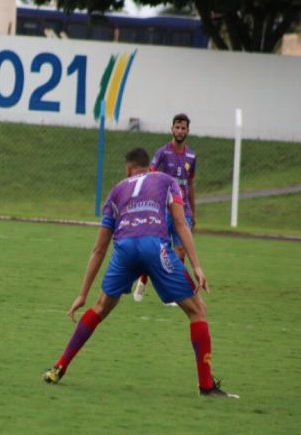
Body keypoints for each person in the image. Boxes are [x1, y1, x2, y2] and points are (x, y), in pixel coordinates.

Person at [43, 147, 238, 398]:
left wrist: (82, 294)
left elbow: (99, 248)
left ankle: (59, 367)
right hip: (154, 247)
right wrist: (197, 265)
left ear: (128, 169)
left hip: (124, 249)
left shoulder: (116, 190)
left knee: (100, 306)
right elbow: (180, 222)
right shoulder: (167, 181)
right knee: (197, 310)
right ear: (150, 168)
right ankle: (206, 386)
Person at [133, 113, 197, 304]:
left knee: (180, 251)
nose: (180, 130)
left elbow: (191, 184)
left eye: (183, 127)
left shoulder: (192, 156)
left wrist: (192, 210)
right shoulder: (162, 153)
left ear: (187, 130)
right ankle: (143, 280)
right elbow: (150, 177)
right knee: (157, 249)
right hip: (162, 209)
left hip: (182, 210)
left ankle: (174, 292)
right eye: (177, 127)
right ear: (172, 129)